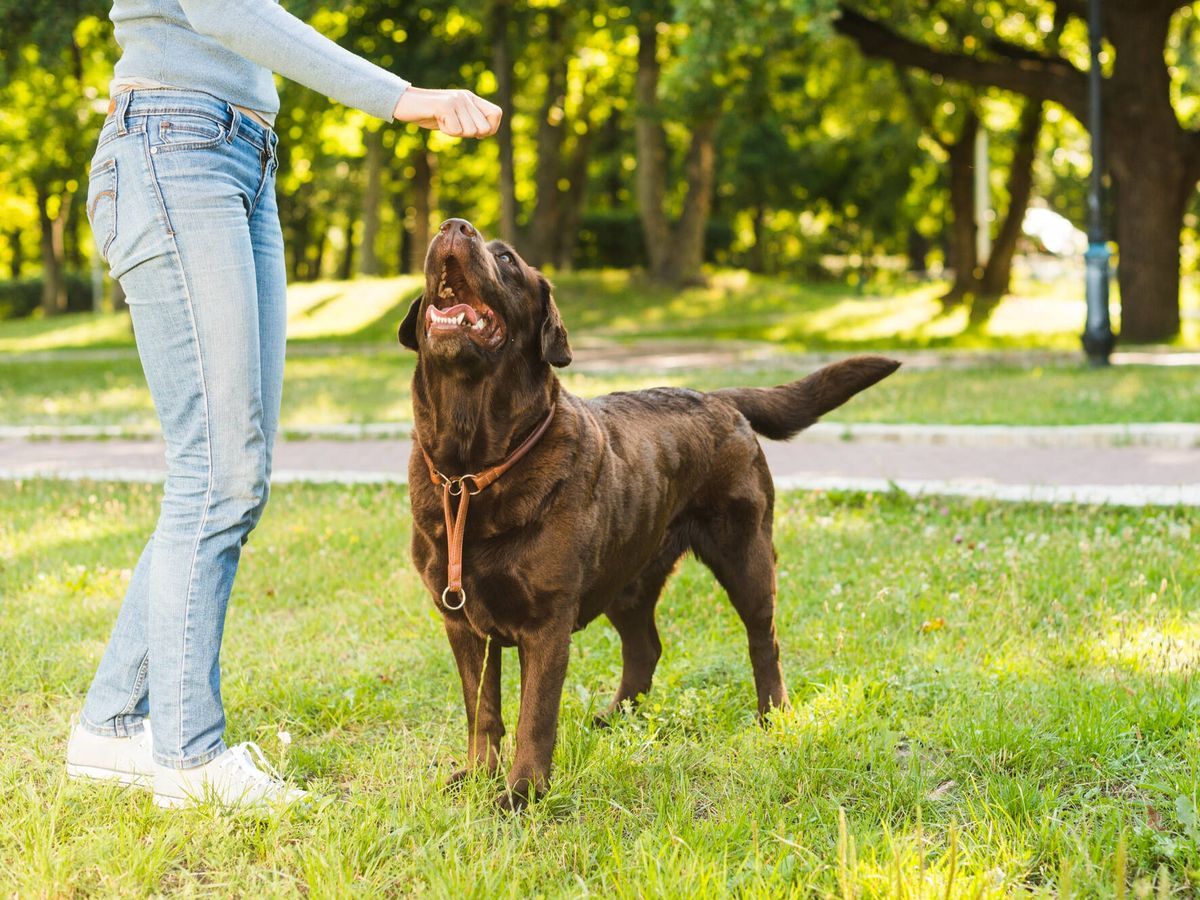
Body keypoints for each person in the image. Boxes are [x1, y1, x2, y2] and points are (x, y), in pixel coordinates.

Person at [65, 0, 501, 810]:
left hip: (237, 154)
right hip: (174, 143)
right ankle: (189, 761)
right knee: (216, 472)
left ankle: (112, 723)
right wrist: (402, 97)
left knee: (233, 471)